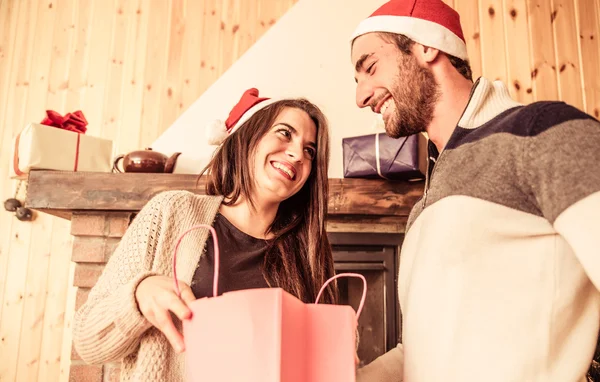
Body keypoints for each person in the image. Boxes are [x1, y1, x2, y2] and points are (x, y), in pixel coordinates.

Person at [350, 0, 600, 381]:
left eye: (370, 68)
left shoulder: (541, 132)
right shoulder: (422, 209)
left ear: (426, 45)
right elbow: (419, 353)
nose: (360, 96)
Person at [72, 88, 338, 381]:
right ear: (246, 136)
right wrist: (137, 296)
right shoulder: (171, 211)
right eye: (284, 133)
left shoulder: (309, 247)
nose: (297, 154)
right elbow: (87, 341)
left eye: (309, 150)